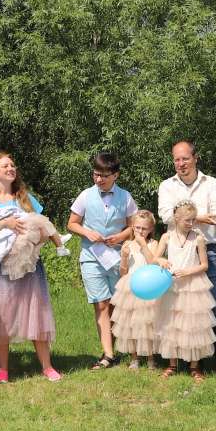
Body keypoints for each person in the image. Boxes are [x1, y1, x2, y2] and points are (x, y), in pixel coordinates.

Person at [0, 152, 60, 383]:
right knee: (2, 315)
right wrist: (4, 223)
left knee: (35, 310)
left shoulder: (25, 198)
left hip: (27, 264)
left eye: (12, 164)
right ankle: (2, 370)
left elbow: (43, 226)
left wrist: (40, 239)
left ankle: (47, 366)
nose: (10, 168)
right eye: (5, 165)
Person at [156, 139, 216, 374]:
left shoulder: (212, 184)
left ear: (195, 158)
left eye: (185, 159)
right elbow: (165, 216)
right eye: (176, 160)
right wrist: (199, 217)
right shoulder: (167, 186)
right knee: (175, 309)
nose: (180, 164)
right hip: (176, 252)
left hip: (205, 250)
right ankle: (176, 360)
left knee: (213, 308)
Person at [67, 151, 138, 370]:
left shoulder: (125, 197)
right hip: (91, 257)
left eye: (104, 176)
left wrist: (121, 236)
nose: (99, 179)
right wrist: (87, 233)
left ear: (115, 175)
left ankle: (118, 346)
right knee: (101, 303)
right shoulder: (85, 195)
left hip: (118, 258)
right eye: (96, 174)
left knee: (117, 304)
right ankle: (108, 354)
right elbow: (72, 224)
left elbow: (135, 226)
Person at [158, 201, 216, 381]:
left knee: (193, 326)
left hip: (192, 286)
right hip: (173, 286)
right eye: (187, 220)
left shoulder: (197, 238)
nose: (191, 223)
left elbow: (204, 265)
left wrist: (187, 271)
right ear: (176, 218)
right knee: (172, 324)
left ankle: (194, 365)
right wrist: (162, 261)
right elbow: (155, 257)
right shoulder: (167, 237)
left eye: (193, 220)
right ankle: (172, 364)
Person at [111, 211, 164, 371]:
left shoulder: (153, 244)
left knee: (148, 325)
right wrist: (125, 258)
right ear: (132, 227)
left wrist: (142, 244)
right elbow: (123, 272)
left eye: (144, 229)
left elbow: (153, 263)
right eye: (137, 228)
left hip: (148, 287)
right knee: (131, 324)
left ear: (151, 229)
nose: (140, 232)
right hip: (130, 287)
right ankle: (134, 358)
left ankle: (150, 358)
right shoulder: (127, 245)